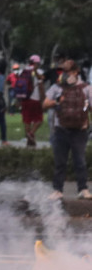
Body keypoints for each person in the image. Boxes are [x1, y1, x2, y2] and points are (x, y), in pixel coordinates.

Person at [42, 57, 92, 200]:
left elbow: (89, 107)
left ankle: (83, 189)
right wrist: (58, 101)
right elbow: (45, 104)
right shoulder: (57, 88)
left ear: (76, 72)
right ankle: (58, 190)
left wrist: (85, 107)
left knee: (80, 161)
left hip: (79, 130)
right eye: (62, 71)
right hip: (61, 129)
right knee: (60, 162)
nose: (64, 74)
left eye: (67, 71)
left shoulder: (86, 88)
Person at [17, 55, 45, 147]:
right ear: (37, 63)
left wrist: (18, 100)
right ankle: (31, 134)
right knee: (39, 120)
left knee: (27, 120)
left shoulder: (22, 71)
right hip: (35, 99)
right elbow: (41, 87)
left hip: (24, 99)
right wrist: (43, 99)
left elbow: (18, 86)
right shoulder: (39, 72)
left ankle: (30, 142)